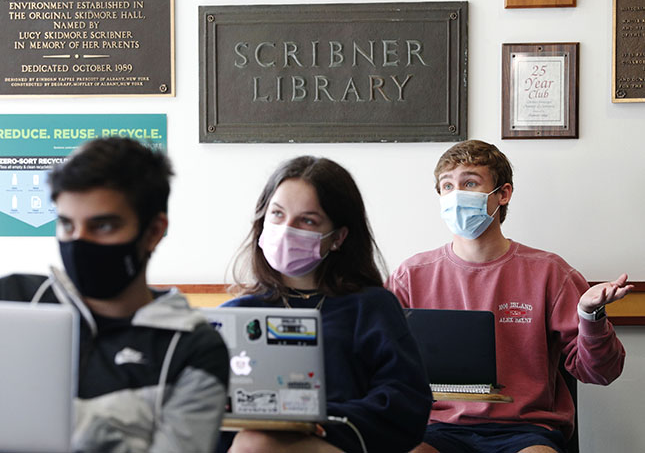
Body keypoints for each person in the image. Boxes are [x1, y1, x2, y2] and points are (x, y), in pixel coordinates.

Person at [386, 139, 632, 453]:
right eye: (447, 186)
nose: (456, 195)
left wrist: (590, 317)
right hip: (435, 428)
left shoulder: (550, 273)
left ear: (503, 194)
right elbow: (378, 363)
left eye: (470, 183)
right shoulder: (410, 275)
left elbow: (602, 372)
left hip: (526, 431)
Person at [0, 137, 229, 452]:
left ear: (153, 232)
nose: (79, 243)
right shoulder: (16, 298)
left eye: (103, 226)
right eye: (67, 225)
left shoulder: (192, 350)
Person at [218, 155, 432, 453]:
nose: (286, 229)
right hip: (246, 442)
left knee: (255, 445)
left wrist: (322, 422)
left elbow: (405, 403)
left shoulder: (372, 307)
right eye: (277, 214)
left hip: (342, 443)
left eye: (307, 220)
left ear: (338, 237)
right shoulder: (236, 315)